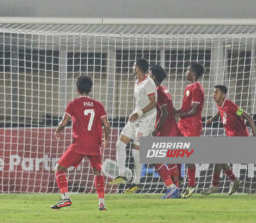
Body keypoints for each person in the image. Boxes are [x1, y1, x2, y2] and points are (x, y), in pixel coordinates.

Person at [51, 75, 111, 211]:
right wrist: (106, 139)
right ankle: (102, 203)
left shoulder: (73, 104)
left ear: (77, 89)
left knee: (59, 168)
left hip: (79, 144)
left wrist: (58, 130)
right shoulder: (98, 105)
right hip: (95, 144)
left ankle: (65, 198)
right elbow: (106, 125)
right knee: (98, 172)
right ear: (90, 89)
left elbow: (64, 122)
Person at [110, 58, 157, 194]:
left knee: (136, 151)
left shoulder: (149, 83)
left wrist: (140, 112)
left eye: (133, 66)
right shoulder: (137, 82)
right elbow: (139, 102)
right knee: (120, 144)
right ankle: (122, 175)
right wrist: (135, 113)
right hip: (136, 118)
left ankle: (137, 183)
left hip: (146, 121)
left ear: (137, 68)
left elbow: (154, 103)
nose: (131, 67)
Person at [201, 85, 256, 196]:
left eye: (216, 92)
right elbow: (220, 112)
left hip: (241, 140)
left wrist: (255, 135)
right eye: (213, 92)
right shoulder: (220, 104)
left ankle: (218, 185)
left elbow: (248, 117)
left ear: (223, 95)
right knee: (218, 157)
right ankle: (229, 182)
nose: (213, 95)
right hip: (231, 138)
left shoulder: (231, 106)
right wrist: (212, 119)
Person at [149, 65, 181, 199]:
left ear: (154, 77)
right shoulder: (165, 90)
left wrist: (156, 129)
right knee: (170, 161)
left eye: (149, 74)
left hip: (165, 129)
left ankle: (171, 187)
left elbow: (165, 112)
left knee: (155, 158)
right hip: (171, 128)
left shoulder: (158, 91)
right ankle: (175, 190)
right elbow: (171, 110)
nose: (148, 77)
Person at [174, 62, 205, 198]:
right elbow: (186, 108)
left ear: (193, 72)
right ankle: (179, 179)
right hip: (182, 124)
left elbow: (194, 110)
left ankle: (192, 185)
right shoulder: (188, 87)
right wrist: (174, 112)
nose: (185, 72)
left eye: (187, 70)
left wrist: (178, 114)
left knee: (189, 156)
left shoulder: (197, 88)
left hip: (192, 126)